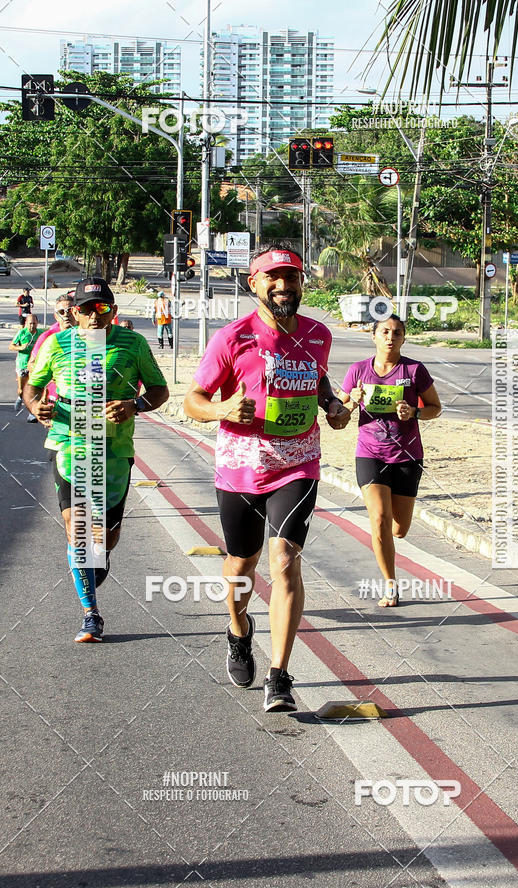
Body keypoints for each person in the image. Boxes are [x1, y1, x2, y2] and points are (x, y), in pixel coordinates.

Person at [183, 243, 350, 712]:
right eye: (272, 278)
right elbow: (191, 400)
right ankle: (239, 632)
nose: (283, 286)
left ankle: (280, 676)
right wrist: (218, 408)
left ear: (301, 283)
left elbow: (317, 383)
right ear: (252, 283)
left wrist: (332, 407)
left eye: (291, 277)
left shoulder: (318, 334)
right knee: (241, 565)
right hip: (240, 467)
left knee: (284, 559)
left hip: (298, 463)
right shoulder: (232, 337)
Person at [24, 277, 169, 642]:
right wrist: (35, 405)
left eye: (101, 308)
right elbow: (32, 384)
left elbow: (159, 390)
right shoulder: (55, 343)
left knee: (105, 537)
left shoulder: (133, 344)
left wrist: (134, 405)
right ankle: (91, 614)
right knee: (78, 531)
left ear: (113, 313)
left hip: (115, 451)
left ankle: (96, 560)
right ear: (75, 312)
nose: (93, 316)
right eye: (85, 309)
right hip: (69, 444)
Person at [338, 314, 442, 607]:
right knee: (380, 519)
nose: (390, 337)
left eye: (397, 333)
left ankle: (389, 541)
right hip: (370, 453)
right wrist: (351, 401)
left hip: (408, 455)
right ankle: (390, 585)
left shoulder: (414, 370)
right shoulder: (358, 370)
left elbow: (435, 407)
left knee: (399, 529)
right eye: (385, 331)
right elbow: (339, 413)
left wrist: (415, 412)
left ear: (403, 338)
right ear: (374, 336)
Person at [10, 313, 44, 411]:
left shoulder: (41, 334)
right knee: (21, 389)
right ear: (26, 323)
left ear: (37, 323)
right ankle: (20, 397)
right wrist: (21, 347)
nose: (32, 326)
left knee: (33, 388)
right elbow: (11, 346)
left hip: (34, 365)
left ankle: (32, 411)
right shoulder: (22, 333)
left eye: (34, 323)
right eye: (30, 323)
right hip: (22, 364)